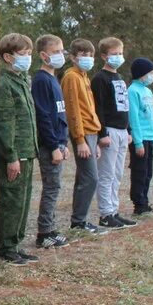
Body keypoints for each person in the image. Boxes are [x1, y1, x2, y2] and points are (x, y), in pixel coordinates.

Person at [0, 33, 39, 267]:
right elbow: (4, 124)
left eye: (29, 54)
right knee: (11, 200)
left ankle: (15, 244)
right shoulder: (3, 85)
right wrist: (11, 156)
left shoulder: (22, 82)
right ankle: (6, 247)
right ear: (8, 57)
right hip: (14, 155)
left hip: (26, 151)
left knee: (23, 199)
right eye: (23, 54)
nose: (28, 59)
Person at [92, 37, 137, 230]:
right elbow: (99, 108)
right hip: (109, 130)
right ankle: (105, 214)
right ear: (104, 56)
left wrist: (127, 130)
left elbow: (123, 107)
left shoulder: (119, 78)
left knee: (117, 173)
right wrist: (102, 134)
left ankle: (114, 210)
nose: (118, 57)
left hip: (121, 130)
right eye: (114, 54)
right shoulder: (100, 79)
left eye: (120, 53)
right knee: (107, 174)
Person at [61, 39, 104, 235]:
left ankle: (80, 220)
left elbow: (89, 108)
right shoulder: (71, 77)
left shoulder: (84, 77)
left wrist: (94, 138)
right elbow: (73, 110)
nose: (87, 59)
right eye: (83, 55)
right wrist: (80, 140)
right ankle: (78, 221)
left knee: (85, 177)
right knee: (91, 178)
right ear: (72, 57)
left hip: (91, 132)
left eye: (90, 55)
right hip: (83, 133)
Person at [32, 34, 71, 250]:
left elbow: (59, 114)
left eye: (61, 51)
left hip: (58, 143)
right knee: (51, 187)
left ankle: (51, 228)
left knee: (55, 187)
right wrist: (54, 146)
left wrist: (63, 144)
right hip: (49, 145)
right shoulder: (40, 80)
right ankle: (44, 232)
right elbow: (44, 117)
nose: (60, 55)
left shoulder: (53, 79)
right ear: (44, 55)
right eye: (56, 52)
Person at [127, 57, 153, 216]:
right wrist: (138, 142)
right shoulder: (132, 91)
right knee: (139, 172)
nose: (152, 76)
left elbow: (152, 117)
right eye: (151, 73)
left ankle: (145, 201)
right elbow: (133, 118)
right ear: (142, 74)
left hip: (149, 137)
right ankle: (138, 204)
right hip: (139, 139)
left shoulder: (148, 91)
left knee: (148, 172)